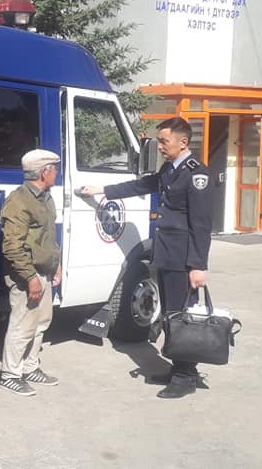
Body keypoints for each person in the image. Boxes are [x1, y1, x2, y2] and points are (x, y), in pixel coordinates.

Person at [79, 117, 214, 399]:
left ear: (183, 142)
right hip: (167, 255)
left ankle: (185, 376)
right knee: (170, 314)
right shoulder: (170, 169)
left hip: (183, 260)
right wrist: (103, 191)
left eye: (164, 141)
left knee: (182, 316)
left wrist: (198, 266)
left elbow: (201, 226)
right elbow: (143, 185)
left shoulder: (196, 175)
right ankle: (178, 368)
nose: (160, 147)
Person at [0, 150, 63, 397]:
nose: (57, 173)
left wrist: (56, 264)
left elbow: (48, 237)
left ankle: (30, 367)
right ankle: (10, 374)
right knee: (22, 325)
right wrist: (30, 277)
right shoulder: (19, 201)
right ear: (44, 172)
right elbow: (12, 246)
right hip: (27, 275)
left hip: (44, 271)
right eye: (54, 169)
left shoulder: (46, 198)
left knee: (41, 323)